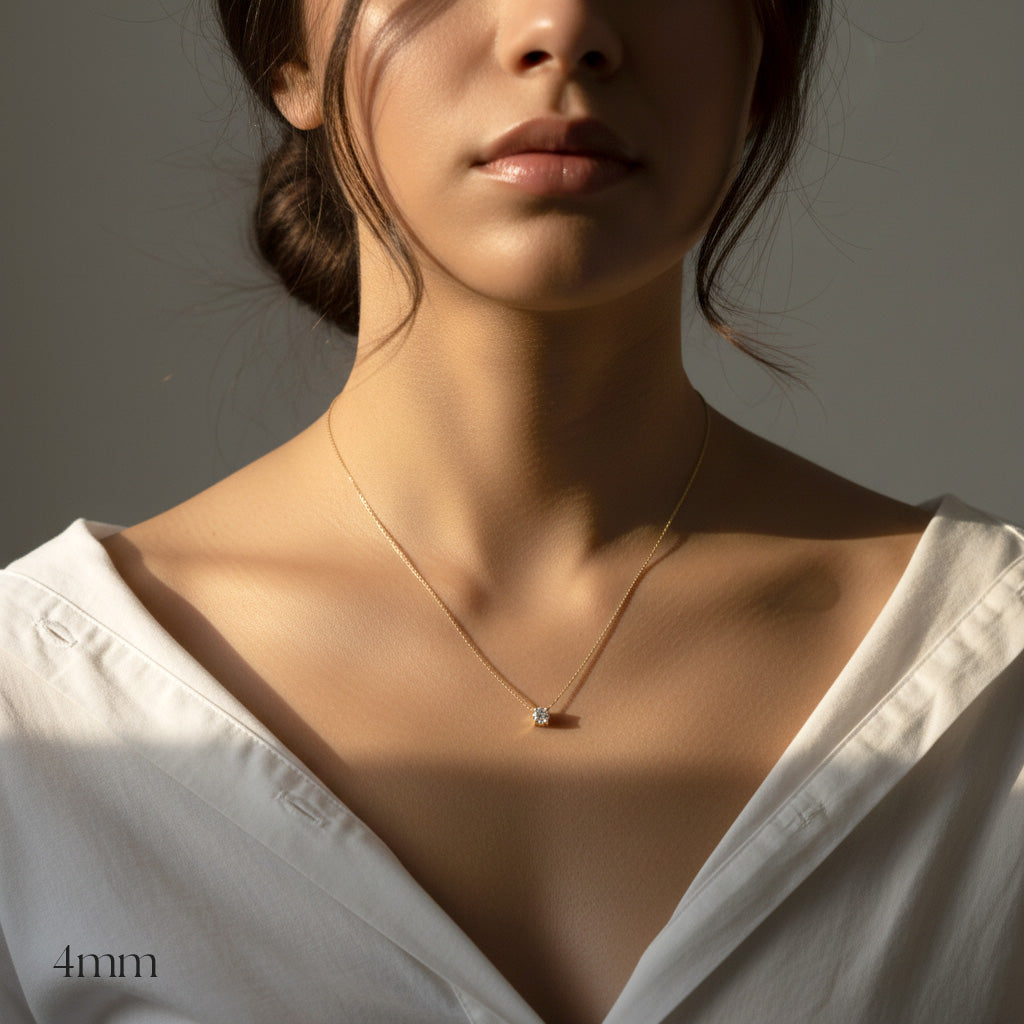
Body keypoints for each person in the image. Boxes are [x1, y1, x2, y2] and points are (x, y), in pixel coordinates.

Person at [1, 0, 1021, 1021]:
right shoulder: (38, 703)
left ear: (764, 58)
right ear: (290, 60)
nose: (562, 25)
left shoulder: (993, 683)